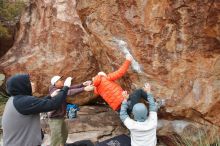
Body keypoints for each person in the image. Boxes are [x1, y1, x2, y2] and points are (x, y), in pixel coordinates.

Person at [2, 74, 72, 146]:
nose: (33, 84)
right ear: (22, 86)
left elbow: (37, 104)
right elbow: (54, 104)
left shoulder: (15, 99)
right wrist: (66, 87)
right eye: (29, 82)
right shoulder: (23, 101)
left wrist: (50, 96)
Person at [48, 75, 94, 146]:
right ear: (55, 83)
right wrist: (84, 89)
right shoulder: (55, 91)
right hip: (54, 119)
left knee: (64, 134)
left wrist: (82, 84)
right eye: (60, 80)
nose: (62, 81)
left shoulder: (60, 88)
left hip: (60, 118)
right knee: (56, 138)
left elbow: (70, 88)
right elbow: (68, 92)